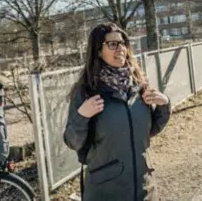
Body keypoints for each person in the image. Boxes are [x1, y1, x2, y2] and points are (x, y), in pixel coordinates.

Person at [63, 22, 171, 201]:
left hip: (145, 187)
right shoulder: (87, 91)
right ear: (98, 51)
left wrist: (164, 105)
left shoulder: (138, 84)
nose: (120, 48)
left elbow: (149, 131)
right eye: (112, 44)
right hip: (106, 191)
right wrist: (82, 116)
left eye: (123, 43)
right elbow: (72, 142)